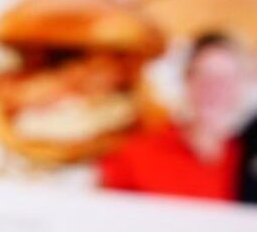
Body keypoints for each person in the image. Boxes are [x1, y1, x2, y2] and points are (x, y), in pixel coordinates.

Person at [99, 33, 249, 200]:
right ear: (187, 80)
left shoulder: (245, 161)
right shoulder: (135, 153)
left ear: (243, 86)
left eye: (226, 80)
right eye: (204, 76)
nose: (215, 90)